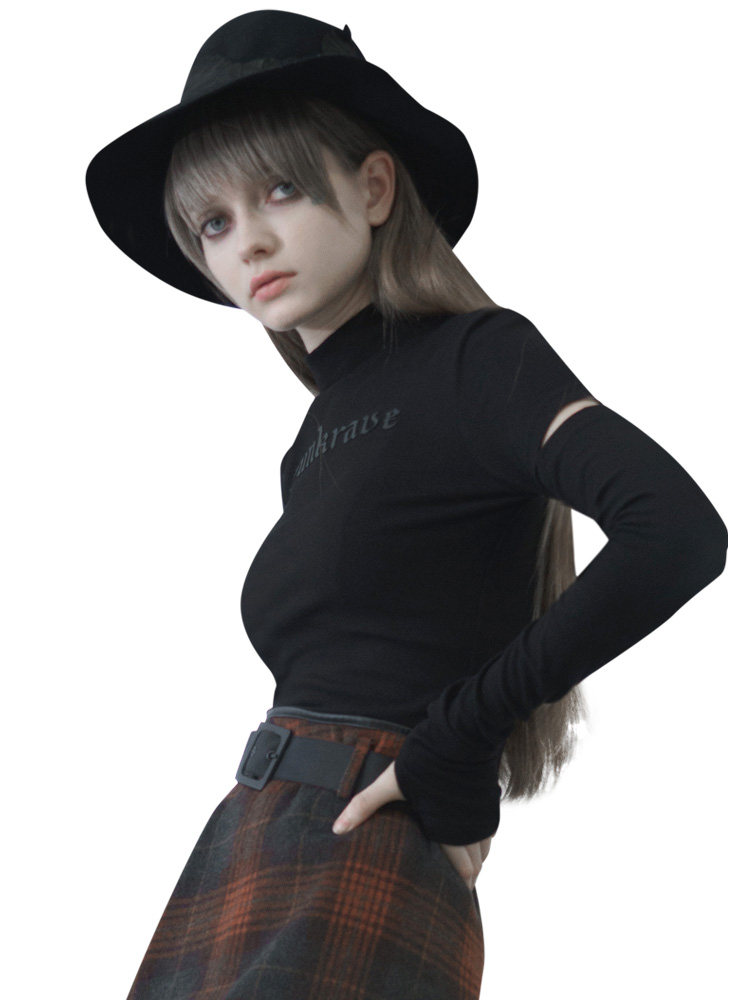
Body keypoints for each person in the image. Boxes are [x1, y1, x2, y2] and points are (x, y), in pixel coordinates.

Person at [85, 11, 728, 1000]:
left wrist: (457, 741)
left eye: (281, 188)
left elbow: (676, 530)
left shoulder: (478, 359)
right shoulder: (313, 439)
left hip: (365, 834)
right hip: (251, 829)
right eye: (213, 222)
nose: (249, 239)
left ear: (375, 187)